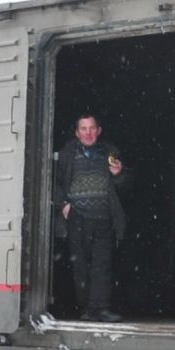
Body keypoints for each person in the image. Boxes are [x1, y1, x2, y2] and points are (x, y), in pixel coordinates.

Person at [53, 113, 127, 322]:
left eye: (92, 128)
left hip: (104, 217)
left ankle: (101, 308)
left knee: (102, 265)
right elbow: (53, 183)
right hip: (78, 217)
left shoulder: (110, 153)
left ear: (99, 131)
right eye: (83, 129)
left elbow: (127, 186)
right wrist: (63, 204)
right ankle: (86, 308)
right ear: (77, 133)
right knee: (80, 266)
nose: (88, 133)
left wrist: (119, 174)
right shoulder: (67, 154)